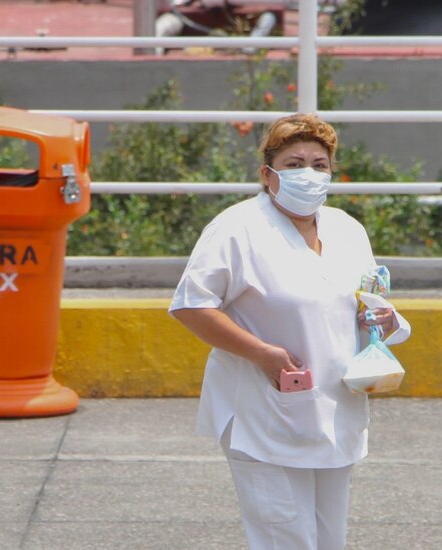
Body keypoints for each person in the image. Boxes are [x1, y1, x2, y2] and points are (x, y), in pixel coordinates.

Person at [168, 113, 411, 550]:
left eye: (320, 165)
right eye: (295, 163)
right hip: (263, 413)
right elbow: (191, 305)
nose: (309, 174)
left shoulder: (346, 229)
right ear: (268, 174)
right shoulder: (237, 228)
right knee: (285, 540)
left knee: (327, 541)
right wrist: (262, 353)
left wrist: (385, 321)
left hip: (335, 412)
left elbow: (364, 300)